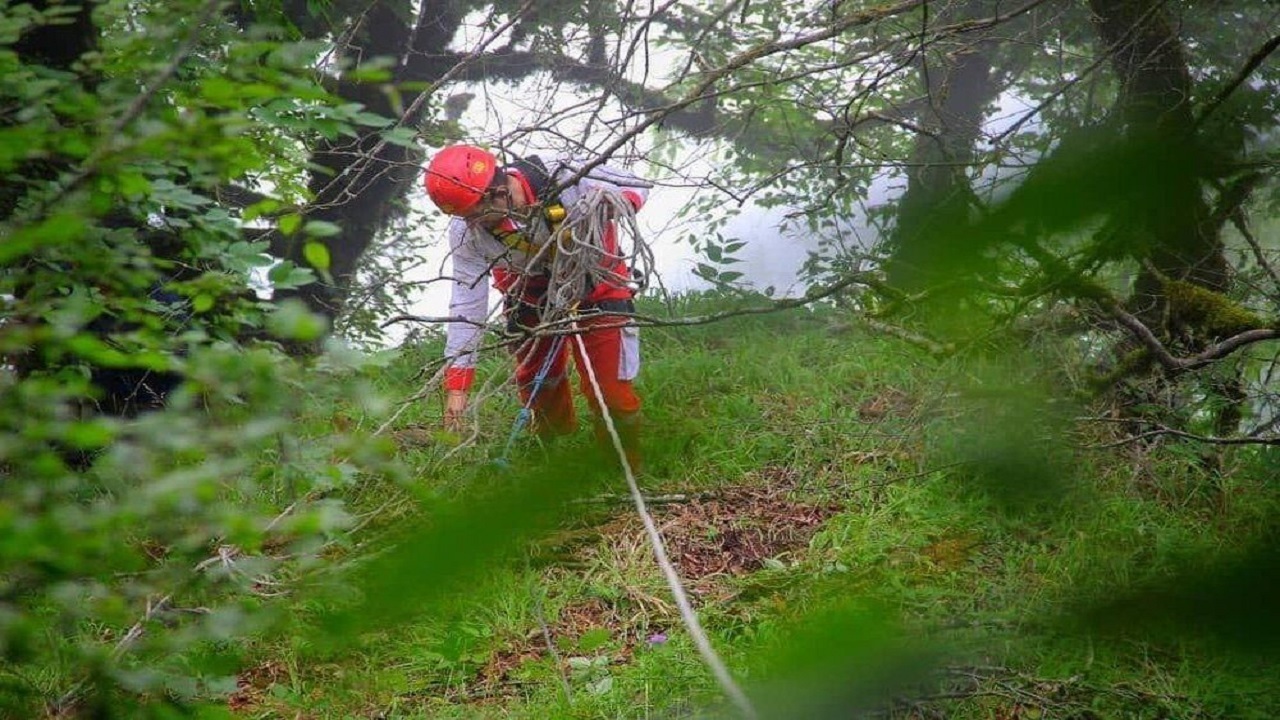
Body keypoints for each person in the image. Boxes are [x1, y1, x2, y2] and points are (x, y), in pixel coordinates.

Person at [422, 144, 650, 469]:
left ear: (497, 191)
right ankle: (549, 452)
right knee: (537, 379)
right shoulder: (465, 232)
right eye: (463, 216)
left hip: (594, 275)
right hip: (526, 290)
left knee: (610, 388)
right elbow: (466, 304)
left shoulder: (563, 171)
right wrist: (458, 390)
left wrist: (609, 204)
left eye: (474, 213)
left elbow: (635, 185)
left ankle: (622, 462)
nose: (470, 223)